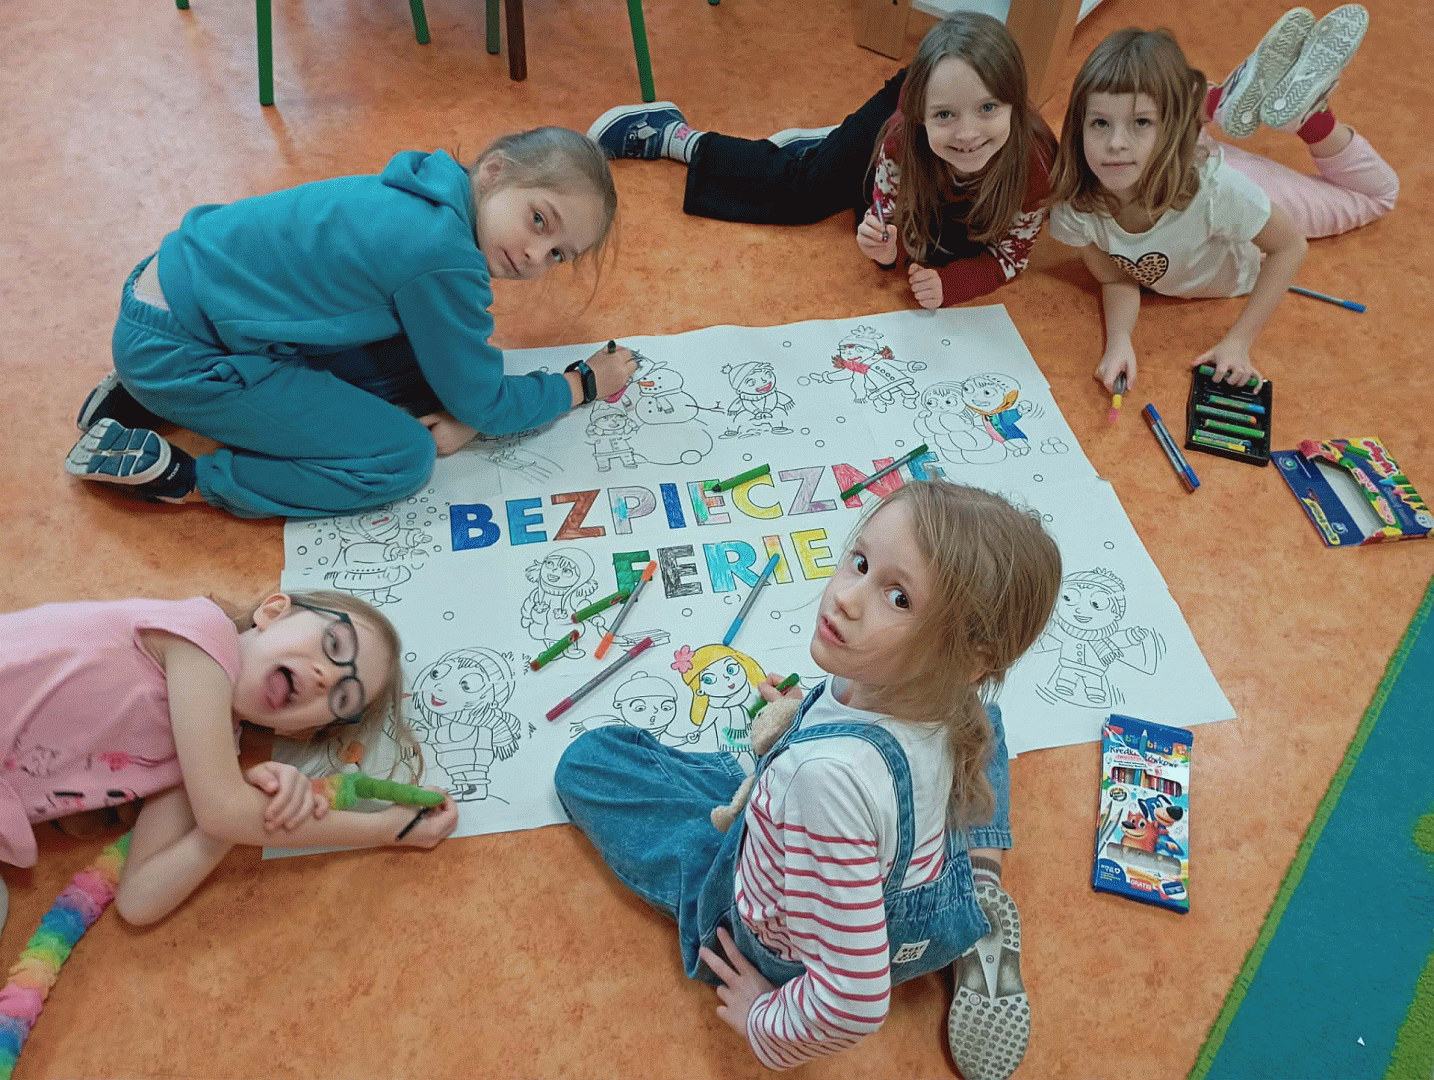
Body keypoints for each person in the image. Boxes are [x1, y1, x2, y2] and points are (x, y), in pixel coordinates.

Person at [554, 481, 1062, 1078]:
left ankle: (955, 904)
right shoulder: (948, 698)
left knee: (591, 762)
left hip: (782, 943)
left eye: (898, 598)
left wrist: (761, 1019)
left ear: (968, 658)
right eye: (861, 563)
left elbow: (854, 1000)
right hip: (911, 902)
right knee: (986, 721)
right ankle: (977, 884)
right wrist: (805, 716)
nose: (846, 597)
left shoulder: (820, 782)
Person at [64, 127, 640, 518]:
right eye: (539, 220)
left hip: (164, 299)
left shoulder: (426, 187)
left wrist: (471, 410)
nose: (536, 256)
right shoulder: (443, 258)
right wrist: (579, 383)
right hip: (180, 354)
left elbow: (466, 387)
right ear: (494, 171)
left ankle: (140, 396)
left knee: (415, 363)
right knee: (401, 459)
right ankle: (186, 478)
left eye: (558, 254)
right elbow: (484, 399)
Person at [0, 589, 458, 930]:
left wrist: (253, 808)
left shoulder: (196, 763)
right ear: (273, 611)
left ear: (297, 731)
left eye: (343, 698)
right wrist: (384, 828)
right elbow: (223, 811)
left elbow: (141, 899)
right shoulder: (202, 636)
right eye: (335, 645)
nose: (326, 676)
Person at [586, 13, 1057, 311]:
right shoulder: (902, 138)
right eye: (946, 117)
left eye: (989, 108)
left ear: (1016, 104)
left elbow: (1008, 257)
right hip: (902, 126)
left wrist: (949, 284)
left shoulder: (1035, 163)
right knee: (807, 189)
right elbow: (889, 224)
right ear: (921, 115)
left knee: (947, 247)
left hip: (928, 148)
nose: (969, 135)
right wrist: (889, 250)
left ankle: (834, 149)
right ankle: (677, 137)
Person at [1046, 6, 1396, 391]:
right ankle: (1214, 103)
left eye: (1140, 121)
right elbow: (1116, 278)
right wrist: (1119, 341)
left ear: (1172, 130)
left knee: (1376, 196)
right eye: (1099, 123)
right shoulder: (1076, 206)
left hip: (1218, 187)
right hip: (1164, 161)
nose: (1114, 143)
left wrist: (1238, 342)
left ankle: (1310, 117)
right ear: (1077, 127)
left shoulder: (1220, 193)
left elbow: (1290, 246)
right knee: (1145, 135)